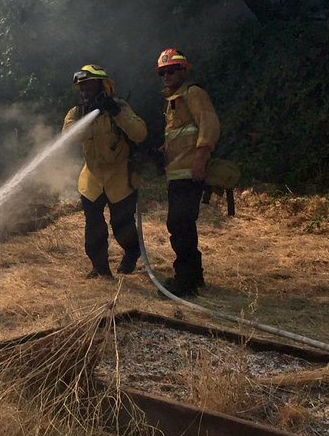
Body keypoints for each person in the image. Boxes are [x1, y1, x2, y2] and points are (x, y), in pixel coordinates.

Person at [63, 64, 147, 279]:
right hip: (91, 178)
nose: (85, 93)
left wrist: (116, 112)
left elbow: (139, 133)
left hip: (120, 177)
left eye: (90, 88)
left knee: (122, 225)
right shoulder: (77, 113)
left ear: (104, 87)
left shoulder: (119, 108)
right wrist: (88, 117)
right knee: (94, 226)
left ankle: (131, 253)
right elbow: (68, 138)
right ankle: (100, 267)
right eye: (82, 89)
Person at [157, 48, 220, 296]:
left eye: (171, 70)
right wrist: (164, 149)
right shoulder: (173, 100)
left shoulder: (193, 93)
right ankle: (194, 276)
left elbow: (209, 125)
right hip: (178, 174)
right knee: (182, 225)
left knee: (180, 224)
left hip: (189, 173)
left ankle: (185, 281)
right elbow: (182, 135)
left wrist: (200, 159)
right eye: (162, 72)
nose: (166, 75)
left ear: (183, 70)